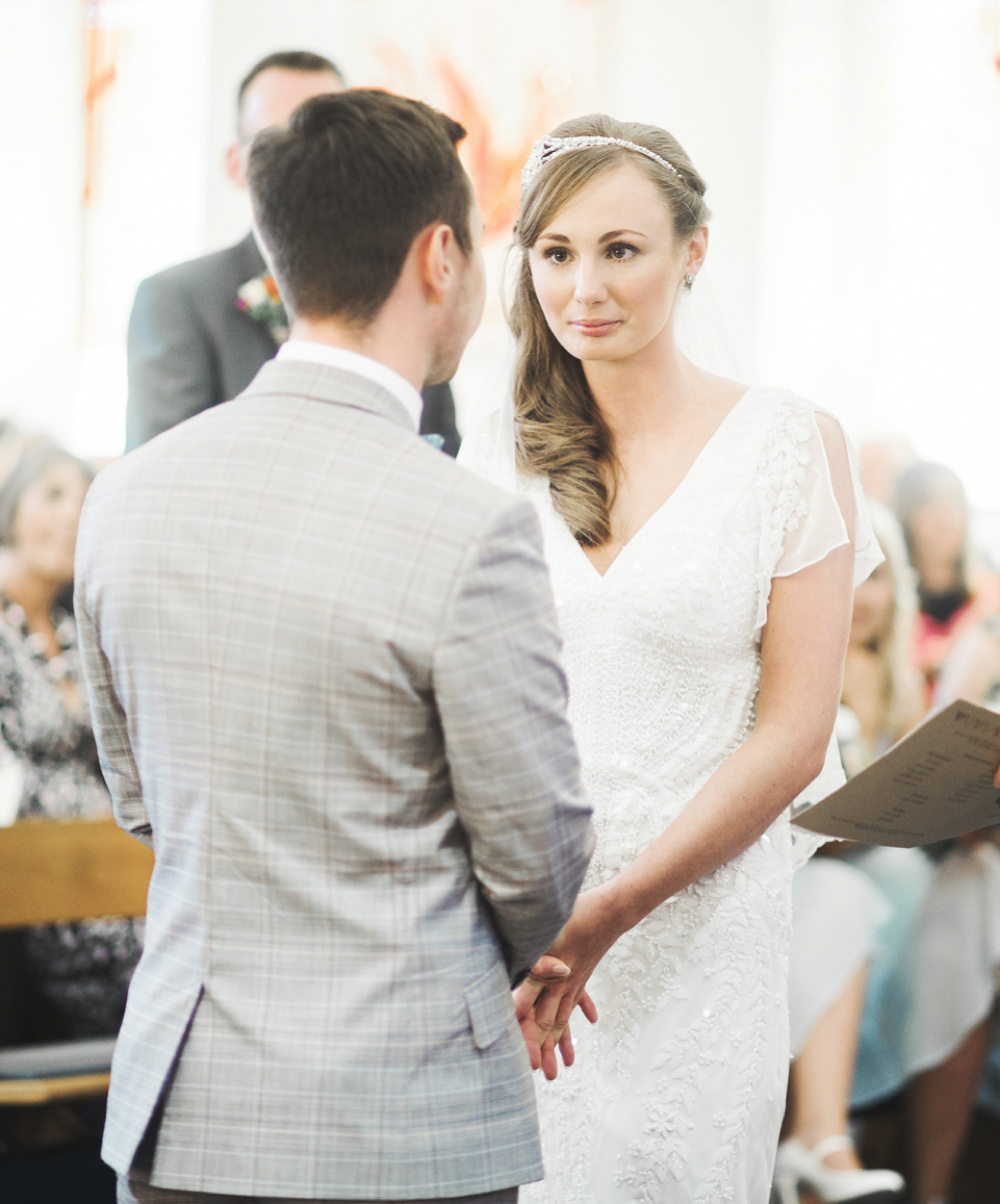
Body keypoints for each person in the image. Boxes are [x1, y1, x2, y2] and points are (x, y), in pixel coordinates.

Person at [76, 89, 594, 1204]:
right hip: (399, 1120)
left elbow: (141, 798)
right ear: (440, 255)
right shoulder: (465, 523)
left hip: (186, 1109)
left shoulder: (126, 499)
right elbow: (534, 852)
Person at [459, 113, 880, 1202]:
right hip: (528, 915)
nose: (582, 287)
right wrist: (534, 907)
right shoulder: (498, 451)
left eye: (620, 249)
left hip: (700, 920)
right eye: (555, 253)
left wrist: (613, 908)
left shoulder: (792, 445)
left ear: (693, 252)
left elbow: (793, 735)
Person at [124, 50, 463, 456]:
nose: (310, 161)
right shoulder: (178, 299)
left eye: (333, 142)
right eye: (278, 140)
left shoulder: (407, 286)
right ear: (236, 165)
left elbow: (444, 454)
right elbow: (163, 470)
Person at [777, 503, 922, 1204]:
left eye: (879, 580)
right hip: (801, 865)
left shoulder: (898, 683)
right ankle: (823, 1135)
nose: (864, 596)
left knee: (936, 881)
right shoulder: (796, 663)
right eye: (854, 575)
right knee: (862, 893)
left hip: (877, 863)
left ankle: (828, 1138)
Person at [0, 440, 141, 1037]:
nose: (69, 515)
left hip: (113, 869)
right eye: (52, 494)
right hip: (35, 888)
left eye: (84, 501)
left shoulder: (73, 624)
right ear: (11, 506)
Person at [891, 460, 1000, 698]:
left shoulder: (991, 593)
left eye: (952, 501)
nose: (944, 514)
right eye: (928, 502)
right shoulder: (887, 601)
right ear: (906, 514)